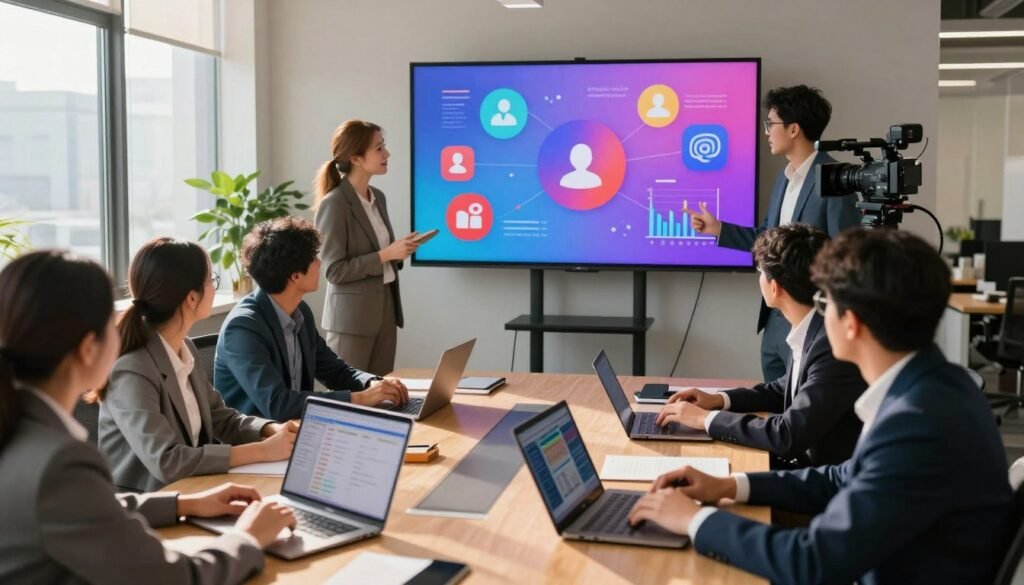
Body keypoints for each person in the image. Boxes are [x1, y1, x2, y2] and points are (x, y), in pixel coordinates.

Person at [628, 229, 1014, 585]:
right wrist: (730, 485)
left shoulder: (917, 424)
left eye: (825, 301)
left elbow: (812, 562)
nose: (819, 312)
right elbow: (841, 478)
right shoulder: (934, 386)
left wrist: (694, 519)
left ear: (852, 323)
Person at [0, 250, 296, 584]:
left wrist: (186, 504)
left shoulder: (20, 431)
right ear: (87, 348)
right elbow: (174, 578)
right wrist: (249, 538)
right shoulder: (58, 460)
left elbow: (89, 506)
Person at [95, 238, 298, 493]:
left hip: (195, 488)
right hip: (149, 503)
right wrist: (261, 451)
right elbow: (167, 460)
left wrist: (270, 429)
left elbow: (219, 416)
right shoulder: (131, 367)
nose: (213, 288)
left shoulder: (184, 346)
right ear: (192, 298)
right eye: (211, 281)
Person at [656, 224, 866, 468]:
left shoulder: (830, 344)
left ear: (774, 286)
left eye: (760, 271)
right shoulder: (814, 328)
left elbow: (787, 435)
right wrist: (717, 400)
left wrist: (706, 420)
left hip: (823, 483)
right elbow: (781, 390)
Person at [689, 85, 860, 381]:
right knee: (774, 406)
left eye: (771, 124)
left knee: (802, 415)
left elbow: (845, 255)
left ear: (794, 129)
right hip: (776, 319)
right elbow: (770, 240)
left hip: (814, 319)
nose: (767, 132)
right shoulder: (785, 179)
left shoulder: (834, 180)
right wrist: (718, 229)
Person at [215, 217, 409, 422]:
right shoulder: (244, 327)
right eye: (314, 258)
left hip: (296, 430)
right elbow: (278, 404)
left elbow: (334, 370)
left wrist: (374, 384)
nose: (320, 262)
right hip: (257, 444)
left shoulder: (300, 312)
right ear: (295, 276)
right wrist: (359, 399)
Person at [313, 119, 418, 375]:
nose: (387, 154)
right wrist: (386, 254)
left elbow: (381, 254)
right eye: (379, 148)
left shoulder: (377, 197)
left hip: (385, 310)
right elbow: (334, 271)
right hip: (351, 319)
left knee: (381, 394)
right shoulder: (334, 204)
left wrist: (400, 251)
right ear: (356, 158)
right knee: (352, 399)